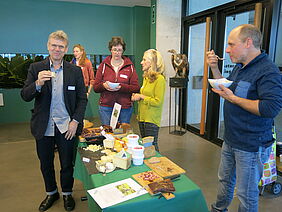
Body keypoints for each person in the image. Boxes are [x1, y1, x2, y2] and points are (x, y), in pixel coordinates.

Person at [207, 24, 282, 212]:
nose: (227, 49)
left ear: (248, 43)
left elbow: (270, 108)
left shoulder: (268, 71)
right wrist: (215, 69)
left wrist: (234, 99)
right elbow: (227, 87)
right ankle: (219, 209)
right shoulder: (241, 66)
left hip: (251, 145)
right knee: (224, 180)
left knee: (246, 194)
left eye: (231, 44)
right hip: (231, 138)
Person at [21, 30, 87, 212]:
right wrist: (37, 84)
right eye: (54, 46)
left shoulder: (74, 71)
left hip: (67, 126)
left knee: (67, 164)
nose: (57, 49)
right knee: (45, 164)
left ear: (66, 49)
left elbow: (82, 99)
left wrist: (75, 121)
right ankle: (51, 193)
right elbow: (25, 95)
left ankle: (67, 193)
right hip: (43, 126)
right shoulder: (36, 68)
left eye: (61, 46)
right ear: (48, 46)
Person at [93, 36, 140, 125]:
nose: (117, 53)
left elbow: (136, 88)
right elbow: (95, 88)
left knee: (123, 134)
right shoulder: (103, 65)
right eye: (115, 49)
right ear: (110, 50)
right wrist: (104, 86)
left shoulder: (130, 66)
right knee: (108, 134)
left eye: (119, 50)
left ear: (123, 51)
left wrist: (121, 87)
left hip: (124, 107)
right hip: (106, 107)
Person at [131, 49, 166, 152]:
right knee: (146, 145)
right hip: (142, 118)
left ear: (152, 62)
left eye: (144, 59)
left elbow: (158, 101)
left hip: (152, 119)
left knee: (152, 146)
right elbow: (145, 96)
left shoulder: (160, 79)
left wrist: (141, 97)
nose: (141, 62)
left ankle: (158, 167)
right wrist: (137, 97)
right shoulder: (146, 78)